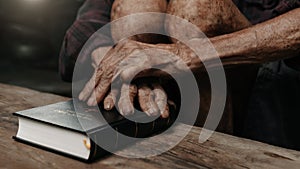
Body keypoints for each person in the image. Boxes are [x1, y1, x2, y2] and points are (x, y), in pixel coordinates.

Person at [60, 0, 300, 150]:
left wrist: (182, 56)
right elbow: (88, 24)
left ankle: (210, 155)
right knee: (137, 6)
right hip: (168, 87)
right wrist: (122, 64)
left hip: (269, 84)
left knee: (198, 8)